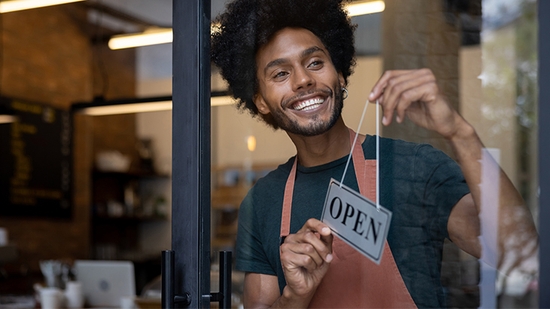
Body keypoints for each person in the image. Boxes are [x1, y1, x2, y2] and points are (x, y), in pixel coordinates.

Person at [210, 0, 539, 308]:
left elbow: (522, 256)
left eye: (315, 62)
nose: (303, 80)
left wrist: (459, 131)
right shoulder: (262, 202)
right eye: (280, 73)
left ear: (339, 74)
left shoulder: (415, 168)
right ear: (261, 101)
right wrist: (296, 294)